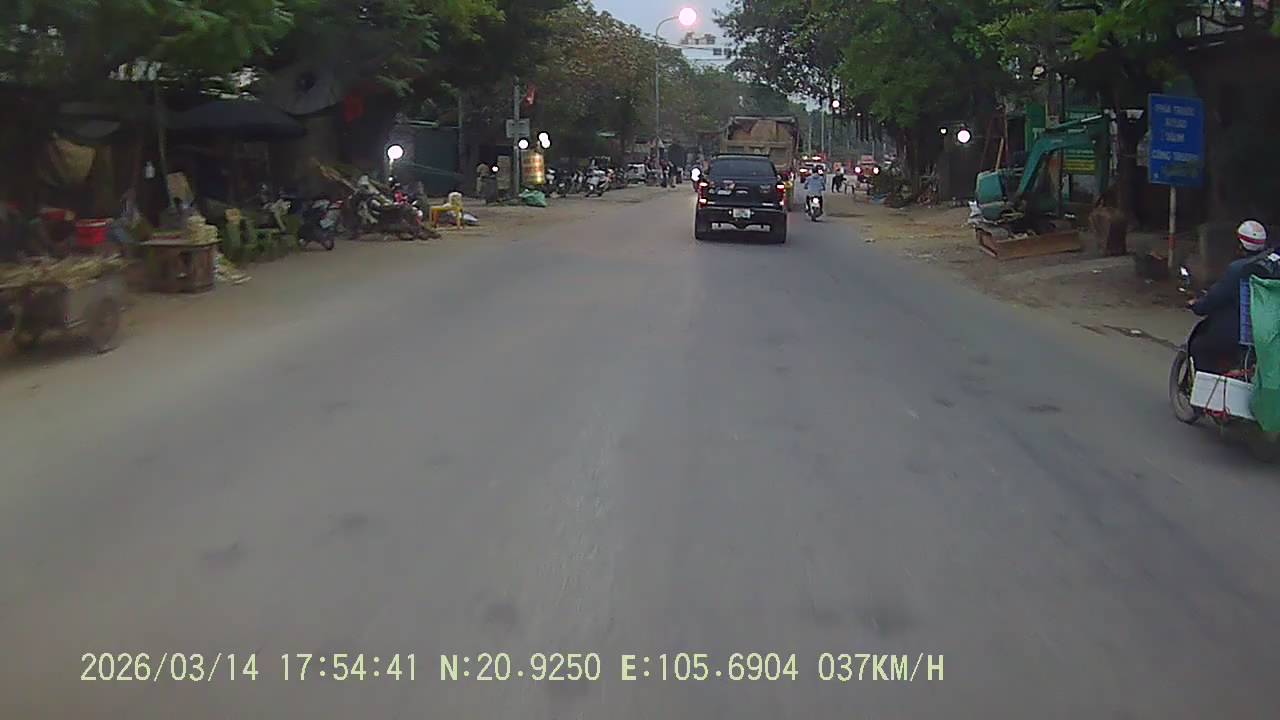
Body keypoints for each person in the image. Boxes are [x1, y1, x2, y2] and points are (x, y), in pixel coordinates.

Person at [1189, 220, 1273, 372]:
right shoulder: (1271, 266)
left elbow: (1215, 297)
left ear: (1240, 245)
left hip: (1238, 333)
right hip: (1268, 333)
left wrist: (1197, 305)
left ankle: (1205, 385)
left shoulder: (1238, 269)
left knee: (1199, 346)